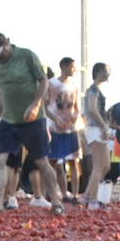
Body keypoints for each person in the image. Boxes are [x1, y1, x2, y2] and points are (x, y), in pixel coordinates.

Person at [0, 32, 63, 214]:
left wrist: (36, 104)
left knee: (42, 161)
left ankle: (57, 201)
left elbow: (43, 81)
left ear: (6, 43)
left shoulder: (26, 56)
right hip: (8, 120)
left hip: (33, 119)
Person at [46, 57, 82, 203]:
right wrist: (56, 119)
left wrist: (75, 118)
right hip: (55, 128)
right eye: (72, 67)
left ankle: (74, 194)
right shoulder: (52, 84)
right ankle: (55, 193)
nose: (74, 70)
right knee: (53, 162)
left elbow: (78, 107)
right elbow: (45, 106)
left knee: (74, 161)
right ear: (64, 67)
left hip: (71, 129)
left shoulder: (74, 86)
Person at [82, 62, 112, 209]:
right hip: (95, 128)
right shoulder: (93, 90)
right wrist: (104, 126)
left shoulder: (97, 89)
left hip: (98, 128)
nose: (108, 74)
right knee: (99, 166)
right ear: (99, 72)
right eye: (106, 71)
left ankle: (88, 195)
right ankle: (93, 200)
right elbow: (93, 109)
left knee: (105, 165)